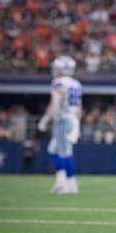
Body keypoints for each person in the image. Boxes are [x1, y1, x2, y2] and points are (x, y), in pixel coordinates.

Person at [37, 55, 82, 194]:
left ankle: (71, 184)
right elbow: (79, 107)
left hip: (62, 120)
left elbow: (55, 103)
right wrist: (76, 124)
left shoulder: (59, 82)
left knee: (64, 152)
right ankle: (61, 181)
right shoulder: (76, 83)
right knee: (53, 149)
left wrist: (46, 118)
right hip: (72, 119)